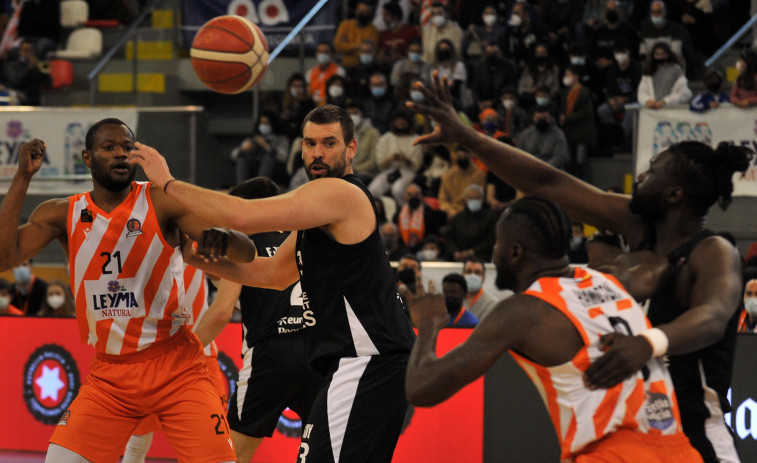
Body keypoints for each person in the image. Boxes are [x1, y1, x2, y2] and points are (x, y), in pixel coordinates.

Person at [410, 72, 751, 462]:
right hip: (631, 428)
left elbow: (712, 317)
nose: (641, 177)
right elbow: (550, 184)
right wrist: (468, 137)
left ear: (675, 195)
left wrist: (648, 343)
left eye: (652, 171)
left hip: (695, 431)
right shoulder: (637, 224)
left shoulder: (714, 250)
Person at [133, 104, 417, 462]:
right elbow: (272, 274)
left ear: (352, 149)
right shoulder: (316, 210)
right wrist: (190, 256)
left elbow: (242, 215)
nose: (317, 152)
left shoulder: (340, 194)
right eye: (309, 142)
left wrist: (168, 184)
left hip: (366, 360)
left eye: (329, 143)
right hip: (359, 362)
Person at [0, 120, 254, 462]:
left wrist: (226, 238)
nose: (120, 153)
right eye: (109, 147)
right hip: (111, 375)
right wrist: (22, 179)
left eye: (127, 147)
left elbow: (247, 253)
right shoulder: (63, 213)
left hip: (176, 365)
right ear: (87, 157)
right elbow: (4, 258)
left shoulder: (161, 201)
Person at [403, 196, 703, 463]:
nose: (494, 253)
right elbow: (659, 264)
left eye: (497, 244)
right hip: (679, 448)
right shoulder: (614, 278)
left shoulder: (523, 312)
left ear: (515, 252)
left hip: (611, 452)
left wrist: (428, 323)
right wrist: (609, 258)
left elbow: (421, 389)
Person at [184, 178, 323, 463]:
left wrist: (184, 352)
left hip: (269, 357)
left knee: (231, 456)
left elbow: (222, 311)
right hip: (319, 354)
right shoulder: (302, 238)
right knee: (323, 453)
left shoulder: (245, 244)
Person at [122, 265, 229, 463]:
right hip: (151, 352)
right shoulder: (140, 241)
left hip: (198, 351)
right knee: (139, 438)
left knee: (210, 446)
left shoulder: (199, 238)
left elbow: (223, 278)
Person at [368, 108, 424, 205]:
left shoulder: (415, 139)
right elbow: (381, 164)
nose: (401, 122)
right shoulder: (386, 138)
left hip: (407, 171)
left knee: (397, 189)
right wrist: (390, 159)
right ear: (394, 122)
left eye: (404, 120)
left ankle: (405, 212)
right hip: (389, 170)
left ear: (409, 123)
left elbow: (416, 166)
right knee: (373, 190)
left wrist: (405, 160)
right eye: (398, 120)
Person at [230, 111, 289, 185]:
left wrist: (266, 146)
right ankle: (241, 187)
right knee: (242, 157)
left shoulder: (281, 139)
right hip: (253, 167)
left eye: (266, 123)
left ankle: (260, 186)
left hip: (273, 170)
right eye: (262, 123)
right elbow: (233, 155)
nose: (264, 126)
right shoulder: (253, 138)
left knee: (269, 157)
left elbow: (283, 157)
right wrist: (243, 149)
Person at [443, 183, 497, 262]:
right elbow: (450, 239)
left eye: (477, 198)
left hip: (482, 257)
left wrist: (473, 252)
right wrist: (454, 252)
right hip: (457, 258)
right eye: (471, 198)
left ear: (482, 199)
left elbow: (491, 240)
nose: (474, 201)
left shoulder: (491, 218)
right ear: (466, 199)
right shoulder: (457, 219)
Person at [392, 182, 446, 253]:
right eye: (410, 194)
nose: (413, 197)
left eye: (416, 194)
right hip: (403, 250)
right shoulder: (398, 215)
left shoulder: (432, 215)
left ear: (421, 196)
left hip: (424, 250)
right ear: (405, 197)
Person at [637, 41, 692, 110]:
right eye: (657, 54)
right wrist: (648, 101)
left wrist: (665, 101)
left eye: (663, 54)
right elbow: (642, 91)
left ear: (668, 54)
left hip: (671, 109)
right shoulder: (649, 70)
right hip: (652, 110)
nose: (660, 57)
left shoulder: (675, 69)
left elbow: (684, 92)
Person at [437, 144, 486, 218]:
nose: (462, 159)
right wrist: (450, 210)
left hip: (471, 211)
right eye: (459, 156)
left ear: (470, 156)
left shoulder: (479, 175)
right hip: (452, 212)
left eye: (465, 156)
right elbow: (442, 199)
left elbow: (479, 198)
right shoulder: (448, 175)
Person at [516, 105, 569, 170]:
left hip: (551, 170)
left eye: (544, 119)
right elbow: (519, 154)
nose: (541, 121)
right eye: (538, 119)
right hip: (529, 169)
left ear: (550, 118)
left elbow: (561, 156)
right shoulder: (525, 134)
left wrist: (544, 168)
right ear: (534, 118)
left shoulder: (558, 134)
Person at [2, 38, 51, 106]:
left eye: (31, 50)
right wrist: (29, 68)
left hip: (34, 100)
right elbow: (15, 81)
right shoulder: (12, 65)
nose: (28, 53)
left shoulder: (37, 65)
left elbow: (48, 84)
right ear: (20, 51)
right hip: (18, 99)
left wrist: (42, 72)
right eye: (25, 51)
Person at [333, 0, 380, 70]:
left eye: (366, 12)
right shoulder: (345, 25)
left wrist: (348, 48)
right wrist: (358, 46)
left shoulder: (373, 30)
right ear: (356, 11)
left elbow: (368, 50)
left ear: (370, 14)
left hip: (365, 67)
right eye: (362, 12)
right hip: (346, 66)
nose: (364, 14)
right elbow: (338, 46)